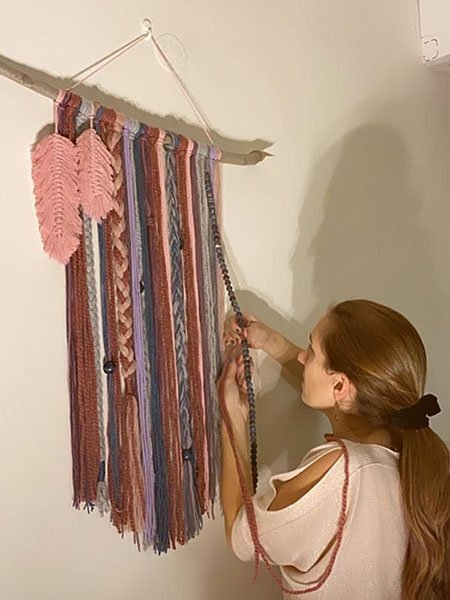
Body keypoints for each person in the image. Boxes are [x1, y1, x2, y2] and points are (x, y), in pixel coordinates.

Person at [218, 299, 450, 600]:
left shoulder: (340, 473)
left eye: (311, 351)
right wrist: (269, 341)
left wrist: (232, 419)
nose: (302, 357)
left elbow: (242, 535)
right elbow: (336, 395)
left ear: (340, 387)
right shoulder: (404, 454)